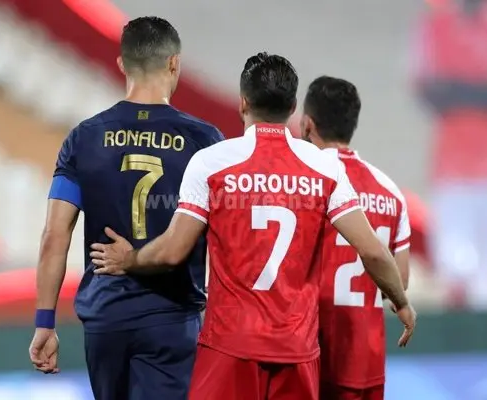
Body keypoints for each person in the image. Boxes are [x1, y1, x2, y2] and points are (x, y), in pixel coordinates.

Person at [88, 52, 416, 400]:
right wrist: (401, 301)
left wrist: (130, 259)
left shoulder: (212, 162)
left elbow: (172, 251)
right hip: (296, 352)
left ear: (243, 102)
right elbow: (372, 252)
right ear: (292, 108)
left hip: (230, 347)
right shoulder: (323, 168)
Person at [28, 17, 223, 400]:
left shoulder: (84, 139)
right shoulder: (204, 140)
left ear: (122, 64)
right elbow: (223, 234)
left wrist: (44, 322)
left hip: (106, 317)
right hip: (172, 317)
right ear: (174, 63)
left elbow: (54, 235)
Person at [410, 0, 487, 309]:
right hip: (453, 175)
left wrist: (456, 90)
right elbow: (430, 92)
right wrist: (480, 89)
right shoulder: (434, 27)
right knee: (457, 282)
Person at [300, 76, 411, 400]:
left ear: (307, 124)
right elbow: (400, 280)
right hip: (364, 358)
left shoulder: (302, 181)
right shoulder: (390, 191)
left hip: (306, 353)